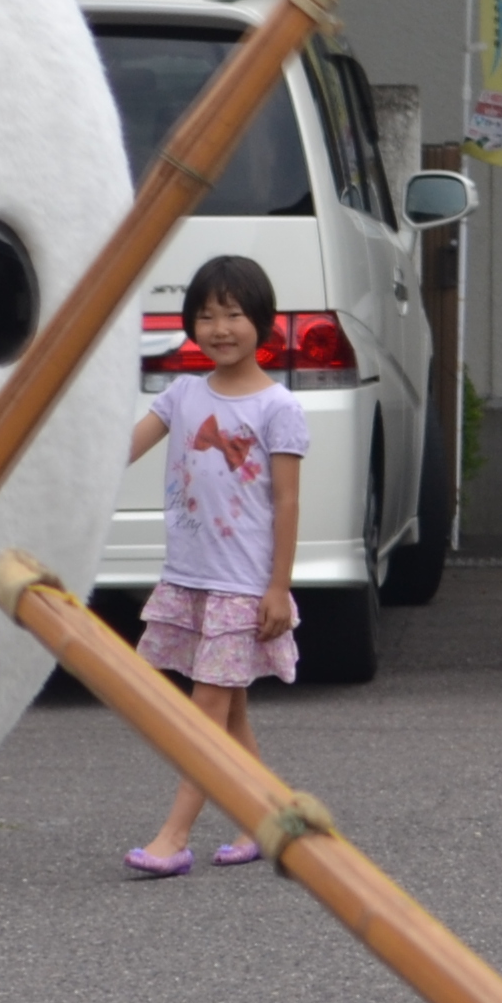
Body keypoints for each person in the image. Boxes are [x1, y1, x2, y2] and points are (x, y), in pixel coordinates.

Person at [118, 253, 306, 875]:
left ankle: (174, 836)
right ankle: (270, 819)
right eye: (206, 316)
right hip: (189, 579)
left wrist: (277, 588)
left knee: (204, 712)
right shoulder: (181, 393)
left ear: (263, 322)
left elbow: (286, 499)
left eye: (233, 314)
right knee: (229, 715)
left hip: (241, 588)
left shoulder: (278, 407)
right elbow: (122, 450)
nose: (220, 328)